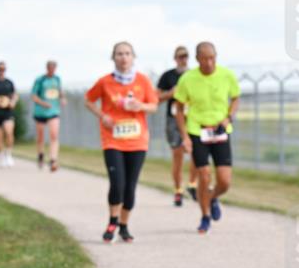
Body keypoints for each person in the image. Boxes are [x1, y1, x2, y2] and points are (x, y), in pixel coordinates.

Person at [84, 41, 158, 243]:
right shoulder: (105, 82)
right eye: (119, 54)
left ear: (133, 57)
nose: (123, 57)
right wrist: (102, 116)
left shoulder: (142, 81)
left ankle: (124, 226)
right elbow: (88, 100)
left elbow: (154, 106)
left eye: (127, 53)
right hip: (113, 140)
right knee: (117, 184)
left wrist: (140, 105)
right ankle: (112, 221)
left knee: (130, 187)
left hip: (137, 141)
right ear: (113, 58)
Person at [174, 42, 240, 234]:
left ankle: (212, 197)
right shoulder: (187, 79)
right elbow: (178, 108)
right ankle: (205, 216)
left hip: (220, 130)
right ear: (197, 59)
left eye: (212, 58)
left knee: (225, 181)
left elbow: (235, 98)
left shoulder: (227, 75)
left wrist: (229, 116)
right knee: (204, 175)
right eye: (205, 58)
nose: (209, 62)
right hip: (197, 131)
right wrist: (185, 136)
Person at [157, 46, 198, 205]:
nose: (183, 60)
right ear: (175, 58)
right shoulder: (167, 76)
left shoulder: (194, 76)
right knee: (178, 155)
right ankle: (178, 190)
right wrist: (171, 93)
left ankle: (192, 184)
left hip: (192, 118)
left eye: (186, 57)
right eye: (181, 57)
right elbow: (156, 97)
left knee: (196, 153)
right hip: (173, 119)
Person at [31, 60, 66, 172]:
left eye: (54, 68)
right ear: (47, 68)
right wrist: (43, 103)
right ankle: (40, 155)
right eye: (50, 68)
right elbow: (33, 96)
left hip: (54, 111)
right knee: (41, 137)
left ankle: (53, 160)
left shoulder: (57, 79)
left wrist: (62, 99)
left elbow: (60, 92)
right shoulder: (40, 80)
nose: (52, 70)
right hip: (40, 112)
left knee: (54, 135)